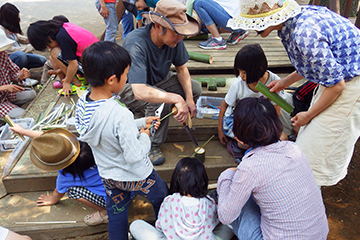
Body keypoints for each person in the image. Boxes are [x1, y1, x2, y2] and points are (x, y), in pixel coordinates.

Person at [228, 0, 360, 187]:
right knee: (307, 139)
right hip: (337, 78)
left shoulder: (303, 35)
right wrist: (284, 83)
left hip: (351, 82)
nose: (255, 28)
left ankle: (304, 199)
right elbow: (314, 62)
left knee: (312, 154)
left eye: (257, 21)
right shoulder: (293, 22)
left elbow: (337, 85)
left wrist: (308, 114)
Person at [75, 41, 169, 240]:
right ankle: (165, 232)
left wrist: (142, 121)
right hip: (137, 175)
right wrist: (145, 135)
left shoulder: (83, 103)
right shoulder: (120, 113)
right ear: (111, 79)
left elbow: (107, 128)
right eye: (126, 75)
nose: (127, 78)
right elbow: (134, 155)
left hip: (109, 176)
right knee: (162, 196)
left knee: (117, 214)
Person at [217, 97, 329, 239]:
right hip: (319, 235)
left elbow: (225, 216)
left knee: (230, 192)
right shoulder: (294, 148)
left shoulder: (250, 168)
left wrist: (226, 175)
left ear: (238, 137)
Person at [120, 0, 202, 165]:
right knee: (162, 102)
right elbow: (140, 91)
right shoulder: (135, 42)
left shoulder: (175, 39)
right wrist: (175, 99)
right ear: (158, 26)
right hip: (130, 88)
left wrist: (189, 99)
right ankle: (152, 142)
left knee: (195, 89)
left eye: (182, 33)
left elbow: (181, 69)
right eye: (176, 33)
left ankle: (145, 113)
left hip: (159, 81)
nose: (180, 37)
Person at [9, 125, 108, 226]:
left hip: (110, 201)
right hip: (118, 188)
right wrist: (23, 131)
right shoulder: (80, 146)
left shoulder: (66, 178)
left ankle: (104, 212)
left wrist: (52, 199)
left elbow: (58, 192)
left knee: (72, 191)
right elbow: (51, 139)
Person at [218, 44, 293, 163]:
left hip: (262, 122)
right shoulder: (239, 84)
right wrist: (220, 129)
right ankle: (238, 146)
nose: (241, 76)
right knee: (245, 142)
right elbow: (224, 105)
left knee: (283, 138)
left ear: (259, 69)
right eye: (239, 72)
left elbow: (277, 112)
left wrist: (264, 129)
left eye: (244, 72)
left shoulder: (273, 82)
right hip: (241, 121)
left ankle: (255, 149)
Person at [129, 157, 234, 240]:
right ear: (202, 181)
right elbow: (216, 222)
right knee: (231, 224)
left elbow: (160, 226)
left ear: (176, 179)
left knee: (135, 225)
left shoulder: (169, 201)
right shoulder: (208, 203)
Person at [27, 19, 99, 97]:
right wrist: (61, 70)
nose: (49, 47)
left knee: (54, 52)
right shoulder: (64, 27)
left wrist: (67, 82)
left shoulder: (62, 37)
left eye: (48, 45)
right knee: (54, 55)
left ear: (49, 38)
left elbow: (74, 64)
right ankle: (76, 79)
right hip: (98, 61)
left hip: (95, 70)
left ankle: (77, 85)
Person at [0, 3, 45, 86]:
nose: (18, 19)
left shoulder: (8, 27)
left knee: (43, 60)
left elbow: (18, 37)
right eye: (16, 18)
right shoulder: (1, 31)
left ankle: (24, 70)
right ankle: (20, 79)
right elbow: (11, 50)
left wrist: (31, 39)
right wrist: (32, 46)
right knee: (20, 55)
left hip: (19, 56)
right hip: (10, 59)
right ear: (9, 19)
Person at [0, 28, 36, 118]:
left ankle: (10, 106)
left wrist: (20, 75)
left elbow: (13, 73)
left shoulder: (3, 54)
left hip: (6, 94)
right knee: (24, 116)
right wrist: (4, 87)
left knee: (32, 94)